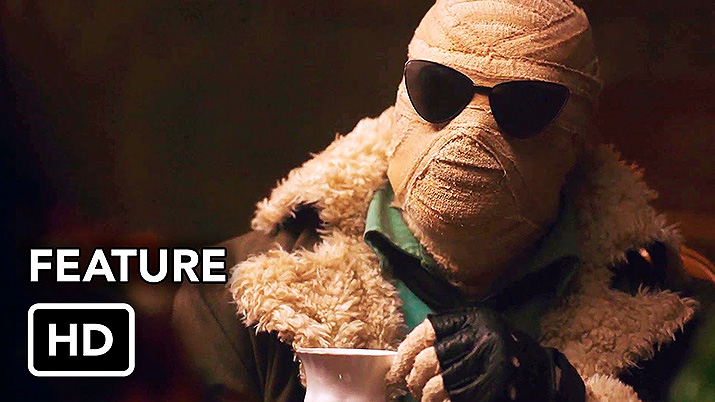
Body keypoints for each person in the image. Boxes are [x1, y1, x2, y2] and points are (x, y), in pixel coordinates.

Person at [173, 0, 713, 400]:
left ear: (578, 134)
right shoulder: (237, 297)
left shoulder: (677, 323)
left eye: (523, 104)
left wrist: (560, 393)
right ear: (403, 93)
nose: (471, 130)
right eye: (440, 88)